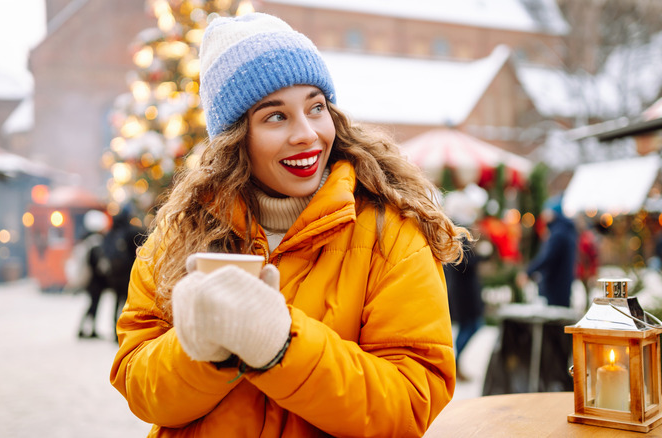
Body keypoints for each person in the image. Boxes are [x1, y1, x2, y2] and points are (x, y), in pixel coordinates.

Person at [110, 12, 467, 437]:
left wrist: (282, 346)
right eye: (275, 116)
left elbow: (410, 402)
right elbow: (138, 385)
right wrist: (199, 352)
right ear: (235, 139)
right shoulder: (180, 235)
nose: (307, 134)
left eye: (316, 107)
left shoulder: (390, 233)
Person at [517, 196, 577, 308]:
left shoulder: (558, 234)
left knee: (556, 318)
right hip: (561, 284)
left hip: (556, 286)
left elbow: (546, 257)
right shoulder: (564, 230)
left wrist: (528, 272)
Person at [444, 235, 485, 382]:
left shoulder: (454, 241)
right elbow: (464, 264)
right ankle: (454, 362)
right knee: (470, 327)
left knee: (470, 327)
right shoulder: (459, 240)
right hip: (464, 296)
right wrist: (481, 255)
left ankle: (456, 362)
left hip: (464, 295)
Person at [101, 206, 143, 340]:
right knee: (127, 303)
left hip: (113, 275)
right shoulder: (131, 232)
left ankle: (114, 330)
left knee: (116, 301)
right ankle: (124, 330)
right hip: (127, 274)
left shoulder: (110, 233)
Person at [73, 210, 109, 339]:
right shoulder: (96, 241)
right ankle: (85, 329)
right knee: (93, 305)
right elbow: (97, 263)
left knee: (92, 304)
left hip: (90, 279)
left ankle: (88, 328)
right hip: (95, 280)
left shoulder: (86, 239)